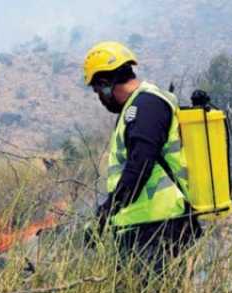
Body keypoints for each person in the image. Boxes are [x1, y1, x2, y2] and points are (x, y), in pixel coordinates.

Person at [82, 41, 202, 274]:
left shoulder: (146, 106)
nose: (100, 98)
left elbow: (140, 165)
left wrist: (105, 215)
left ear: (106, 84)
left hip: (156, 226)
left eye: (98, 91)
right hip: (145, 223)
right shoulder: (139, 106)